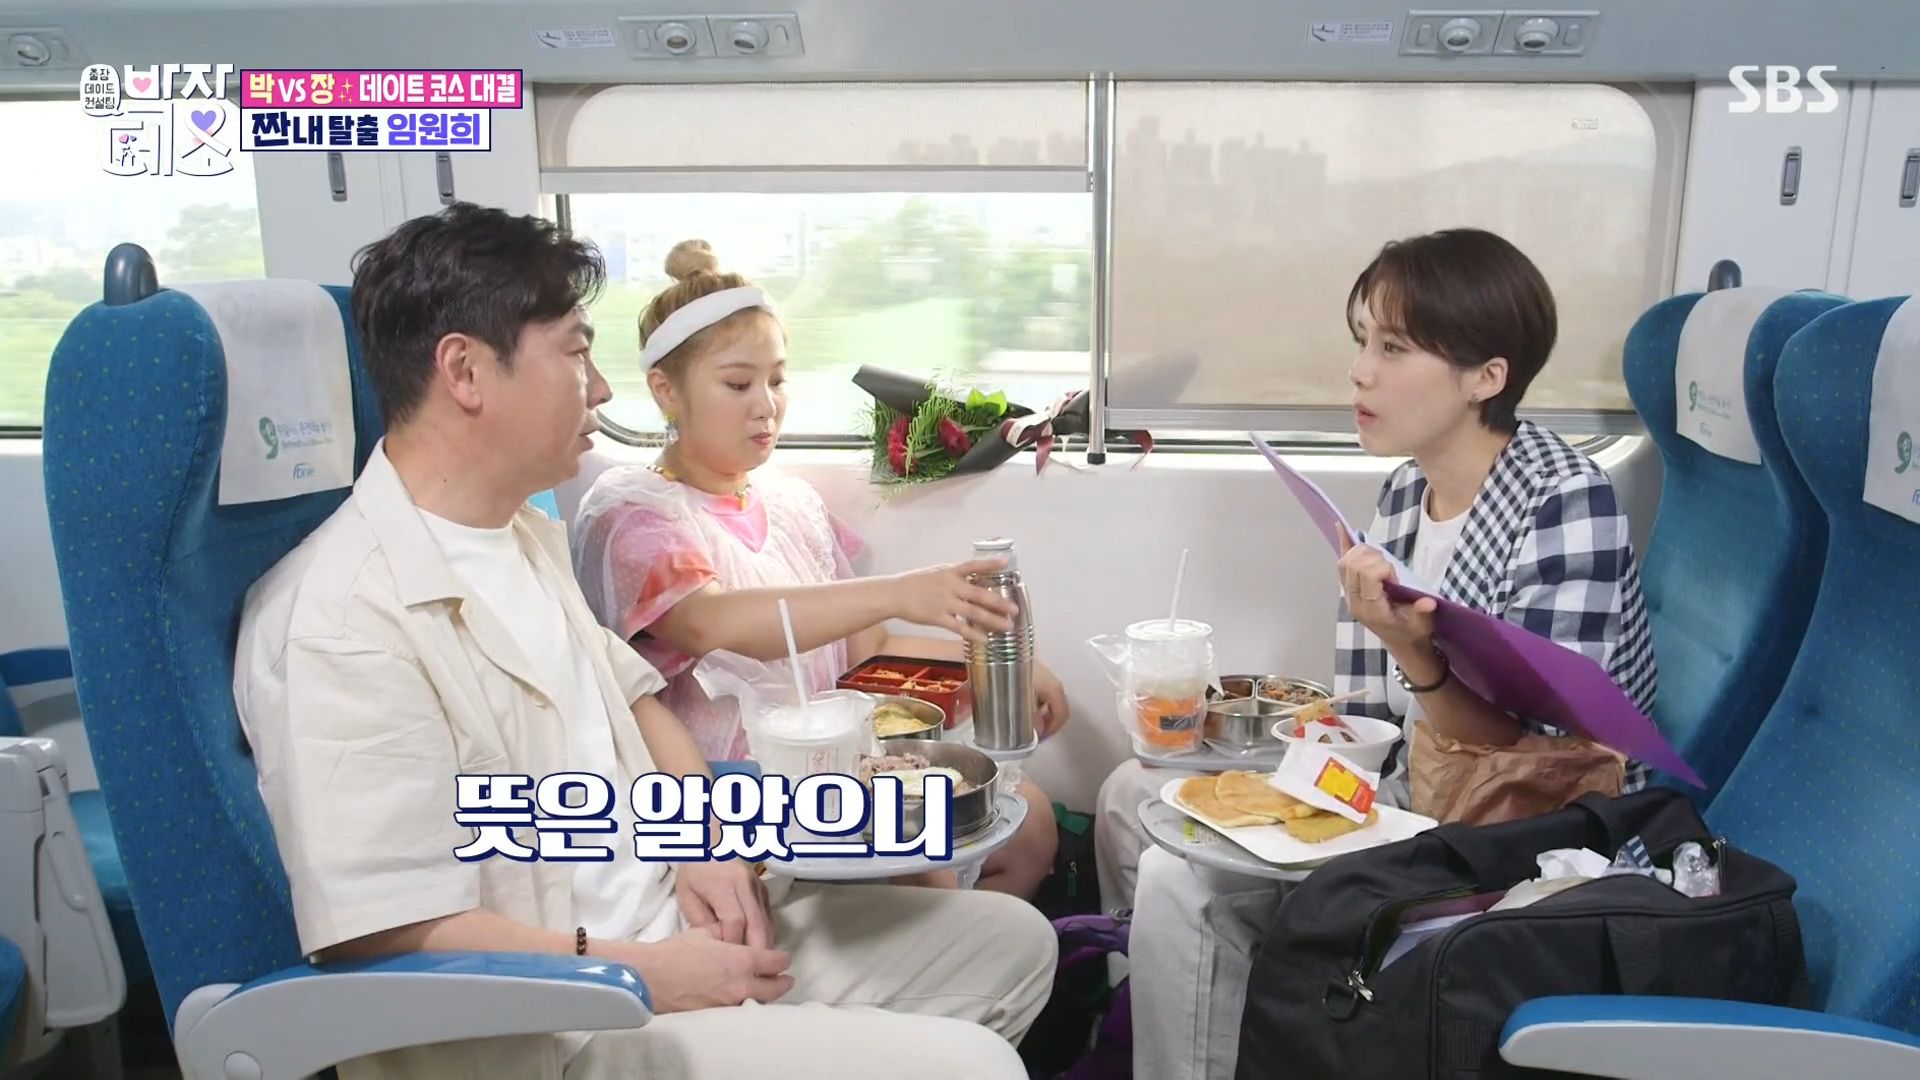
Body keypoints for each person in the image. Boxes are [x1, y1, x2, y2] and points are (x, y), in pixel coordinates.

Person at [232, 203, 1057, 1080]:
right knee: (976, 1067)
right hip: (571, 1018)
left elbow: (636, 698)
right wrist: (639, 971)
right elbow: (390, 930)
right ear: (466, 371)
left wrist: (703, 842)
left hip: (676, 920)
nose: (598, 389)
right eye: (574, 353)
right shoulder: (339, 619)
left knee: (1015, 945)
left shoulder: (518, 536)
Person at [1101, 227, 1659, 1079]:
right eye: (1363, 341)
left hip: (1520, 827)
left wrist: (1414, 652)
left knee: (1187, 888)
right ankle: (1151, 1022)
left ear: (1486, 377)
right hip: (1407, 780)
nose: (1360, 371)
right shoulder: (1405, 493)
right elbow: (1379, 719)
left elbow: (1538, 757)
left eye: (1393, 348)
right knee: (1130, 793)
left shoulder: (1564, 501)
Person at [570, 239, 1069, 899]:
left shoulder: (792, 504)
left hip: (835, 756)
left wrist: (1002, 663)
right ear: (666, 390)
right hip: (731, 783)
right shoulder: (636, 514)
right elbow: (710, 622)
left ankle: (962, 955)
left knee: (1030, 820)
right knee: (930, 868)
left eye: (777, 380)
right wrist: (900, 591)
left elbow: (868, 647)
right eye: (738, 384)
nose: (766, 405)